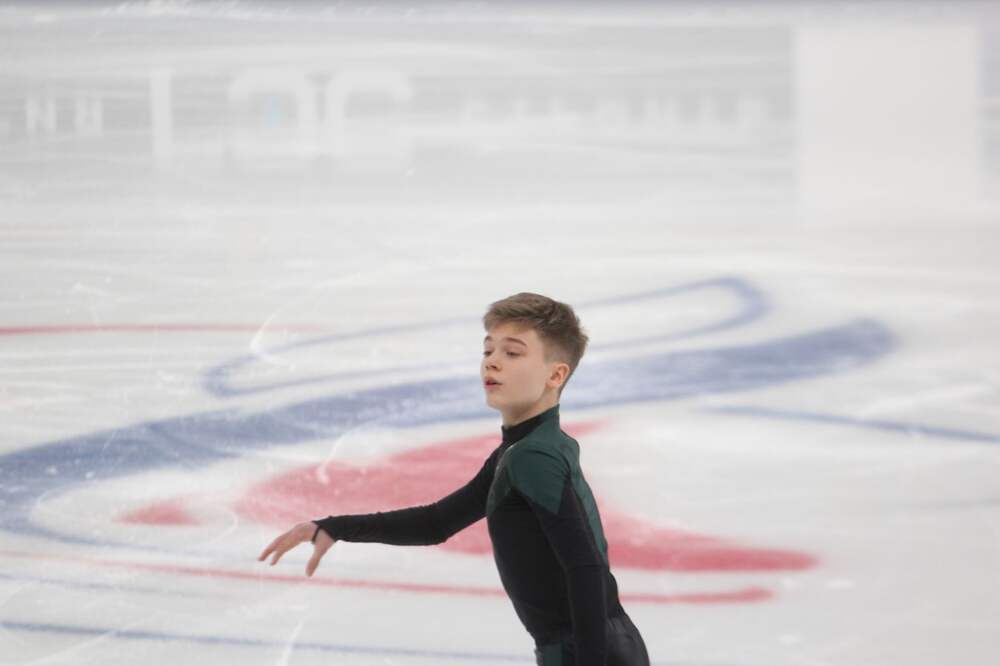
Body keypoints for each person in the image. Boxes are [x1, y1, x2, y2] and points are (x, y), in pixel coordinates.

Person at [258, 292, 651, 665]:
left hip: (584, 650)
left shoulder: (532, 456)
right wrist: (335, 527)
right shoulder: (523, 451)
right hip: (595, 645)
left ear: (556, 374)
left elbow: (584, 568)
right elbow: (437, 523)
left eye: (512, 352)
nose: (492, 362)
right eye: (488, 350)